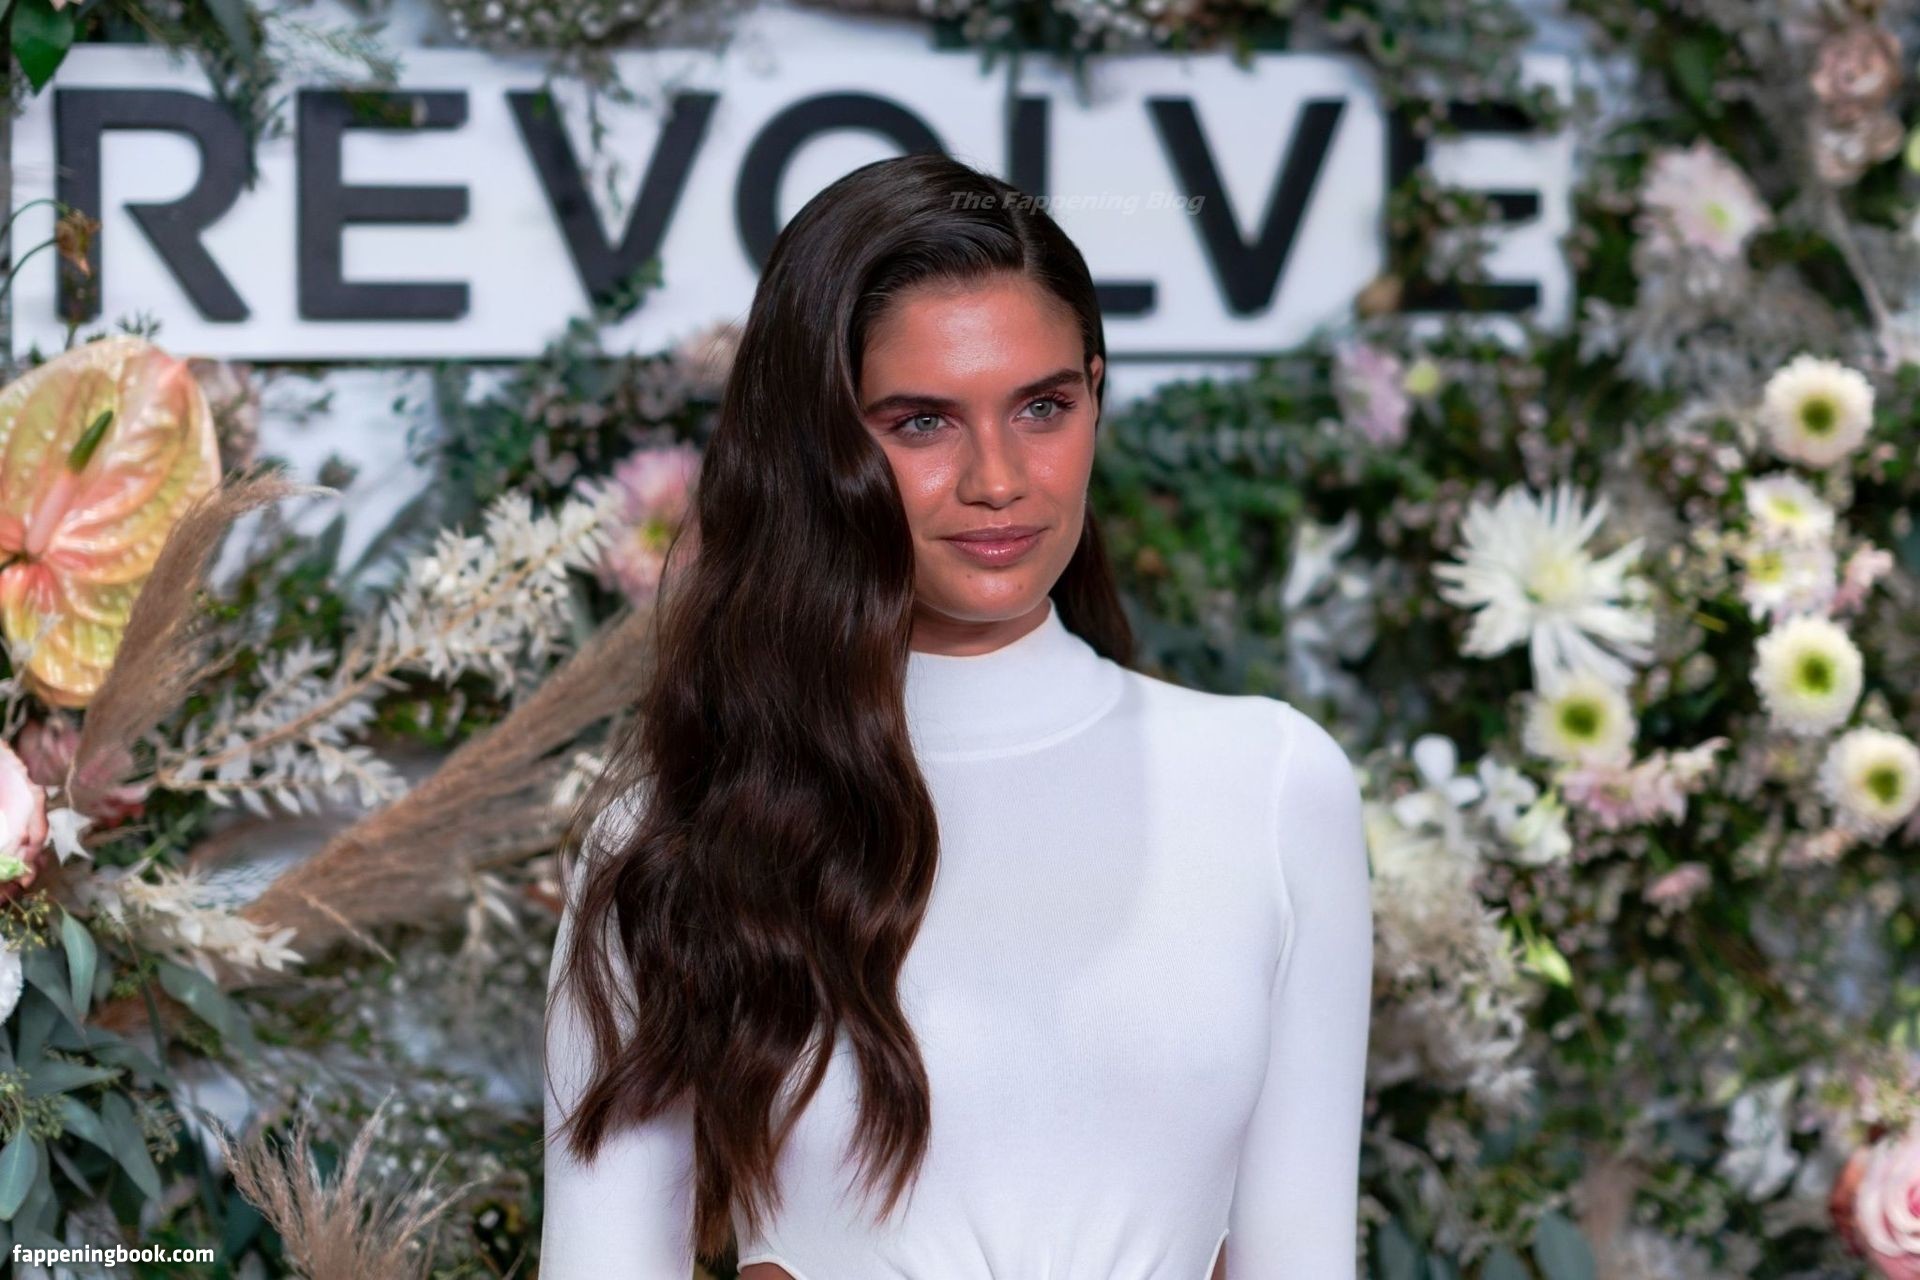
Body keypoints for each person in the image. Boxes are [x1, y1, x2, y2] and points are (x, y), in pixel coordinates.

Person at [540, 151, 1374, 1280]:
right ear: (818, 446)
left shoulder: (1271, 785)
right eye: (922, 421)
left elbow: (1303, 1257)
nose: (999, 479)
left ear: (1095, 392)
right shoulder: (671, 836)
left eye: (1043, 406)